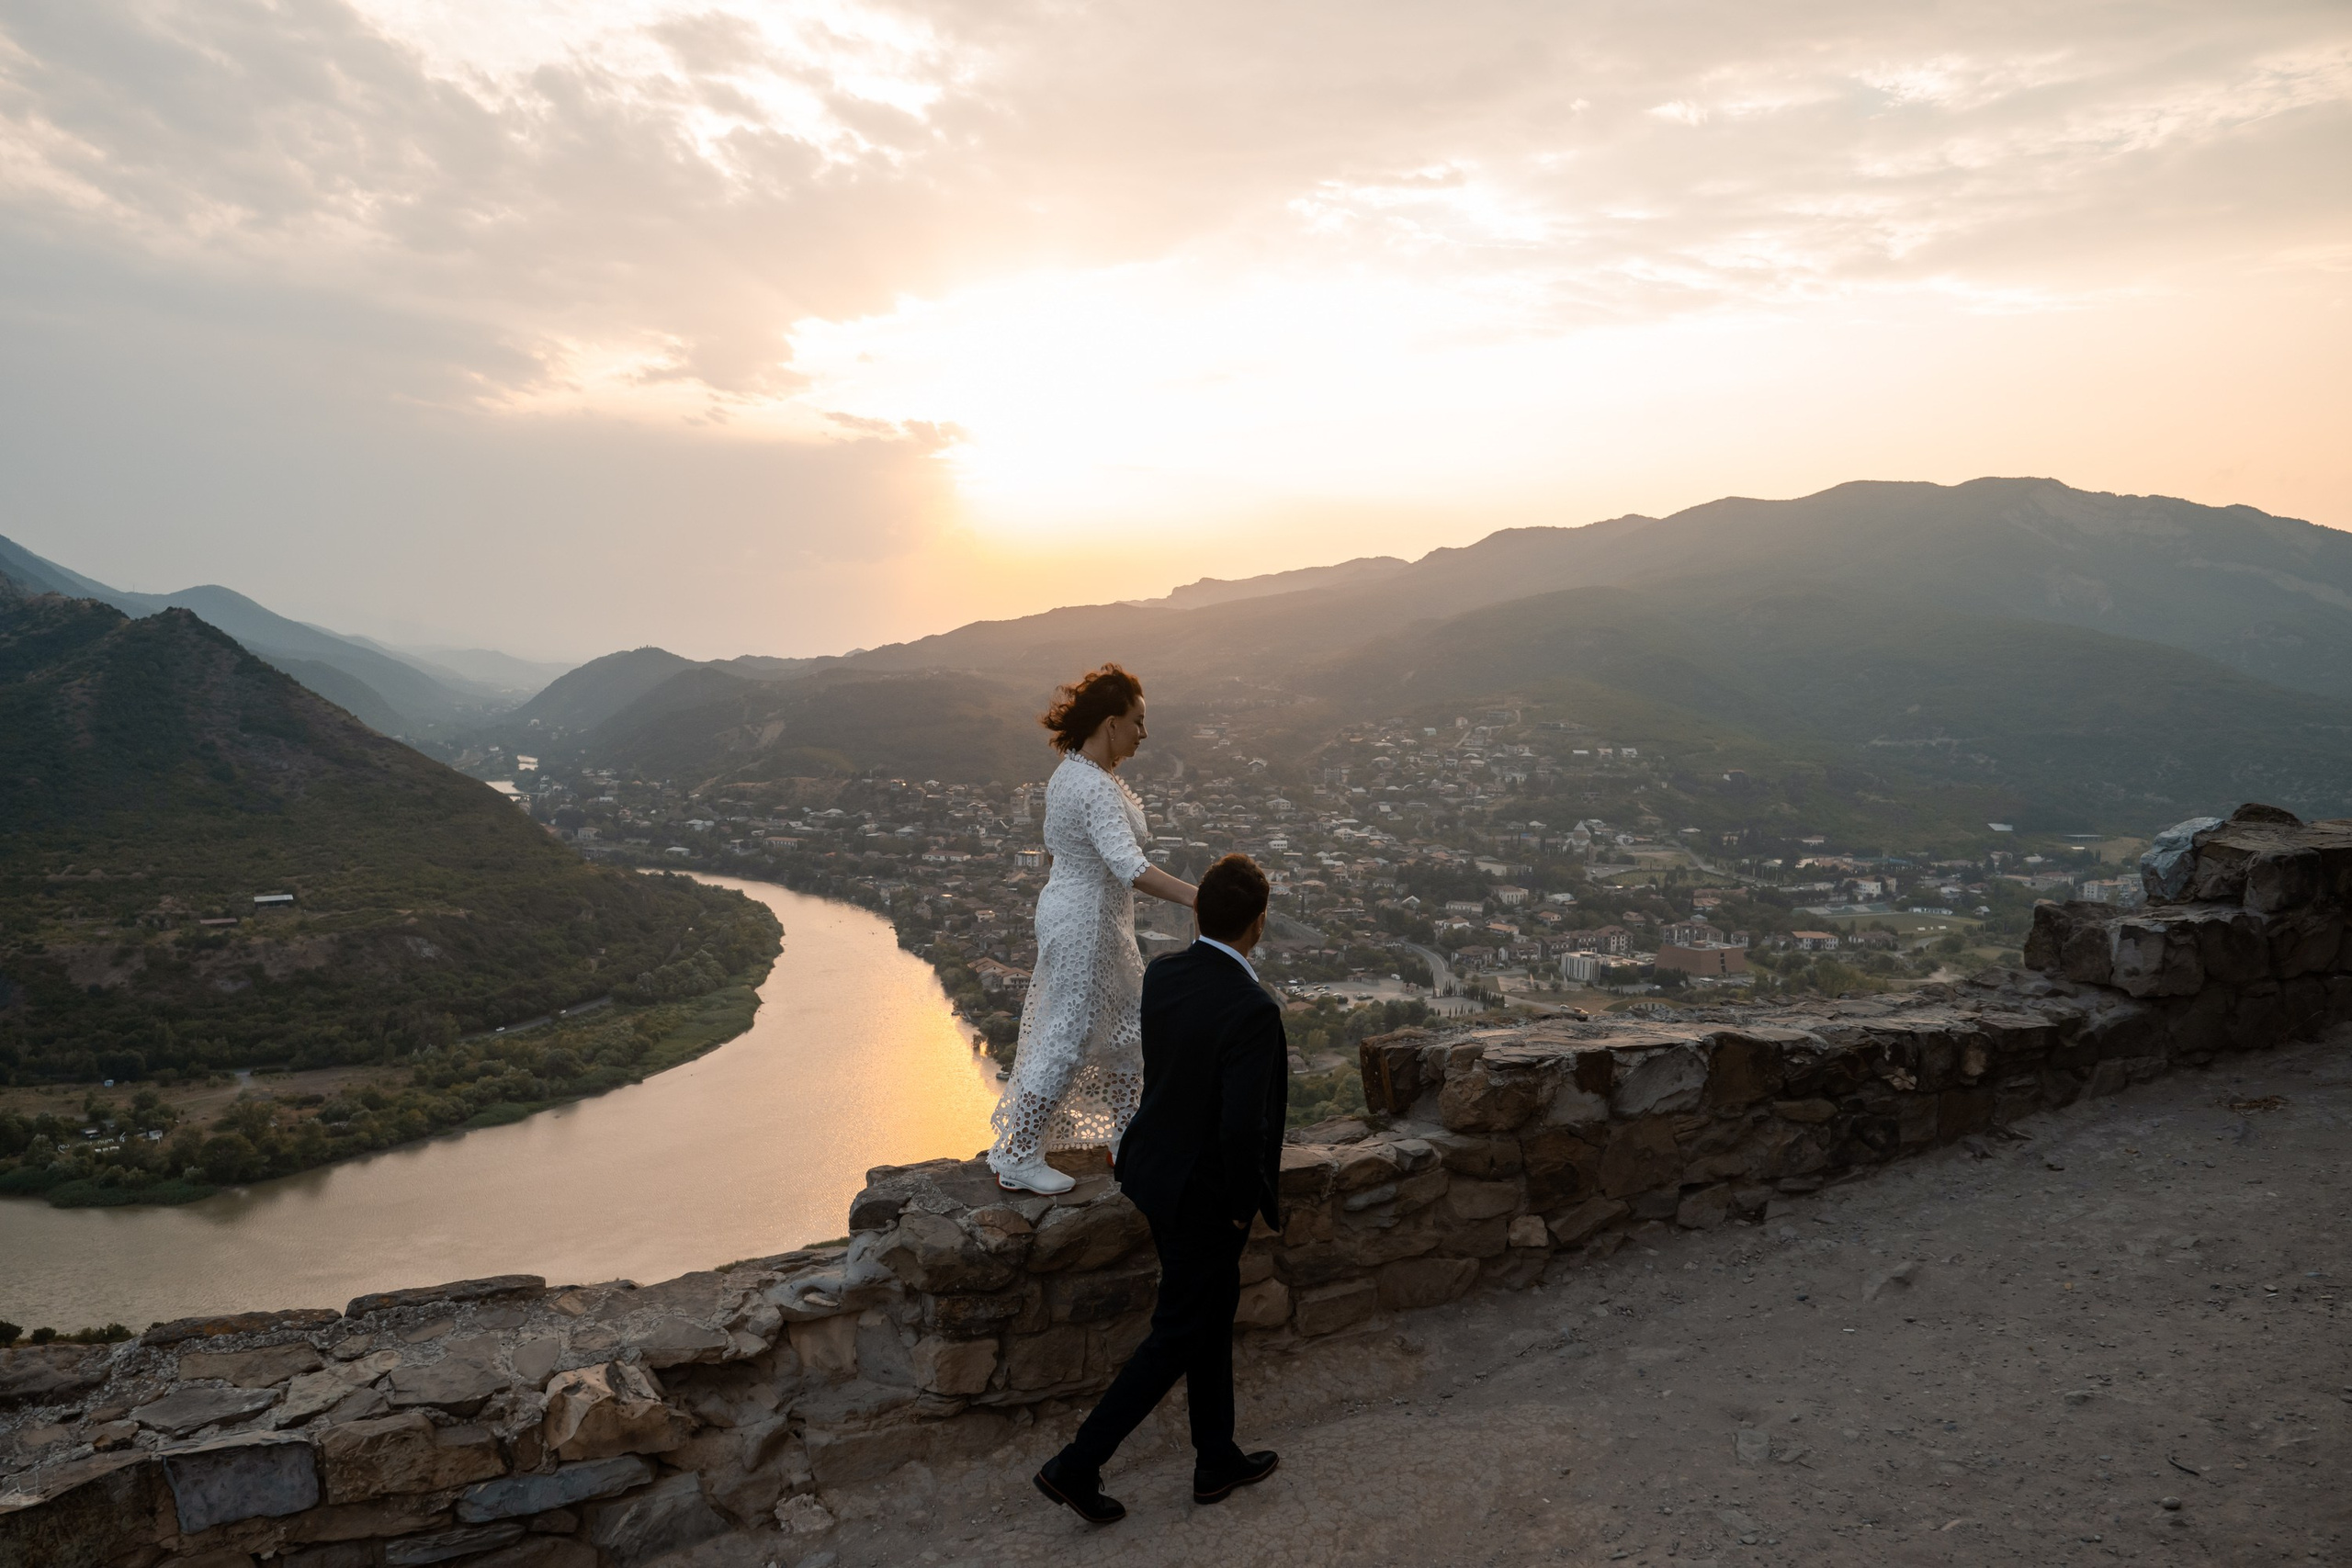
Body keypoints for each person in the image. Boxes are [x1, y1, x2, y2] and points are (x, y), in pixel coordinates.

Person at [1032, 853, 1287, 1524]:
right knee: (1178, 1330)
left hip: (1155, 1173)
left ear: (1196, 912)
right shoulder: (1253, 1009)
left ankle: (1215, 1457)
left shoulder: (1165, 975)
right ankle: (1076, 1464)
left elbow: (1174, 1078)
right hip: (1207, 1195)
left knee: (1209, 1312)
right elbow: (1243, 1126)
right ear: (1259, 923)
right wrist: (1242, 1207)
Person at [988, 663, 1199, 1196]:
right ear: (1111, 724)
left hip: (1086, 913)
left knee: (1128, 1030)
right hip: (1086, 921)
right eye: (1138, 720)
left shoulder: (1073, 774)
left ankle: (1128, 1137)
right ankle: (1017, 1155)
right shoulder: (1093, 787)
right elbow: (1130, 866)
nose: (1143, 732)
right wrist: (1200, 898)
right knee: (1070, 1033)